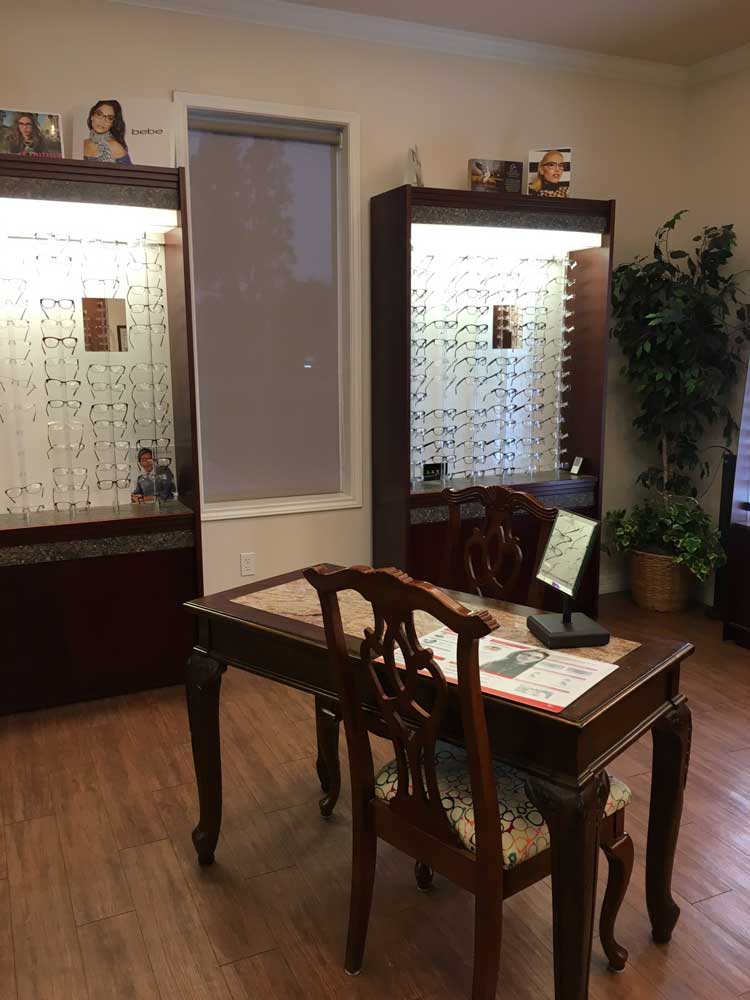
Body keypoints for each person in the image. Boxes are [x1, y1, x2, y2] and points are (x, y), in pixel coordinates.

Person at [83, 100, 132, 164]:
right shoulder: (81, 144)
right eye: (99, 114)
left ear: (112, 123)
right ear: (92, 116)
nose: (102, 121)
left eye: (109, 118)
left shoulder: (116, 147)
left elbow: (129, 173)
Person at [482, 647, 549, 680]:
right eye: (526, 654)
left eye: (536, 657)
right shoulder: (496, 662)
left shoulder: (527, 671)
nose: (528, 658)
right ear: (518, 654)